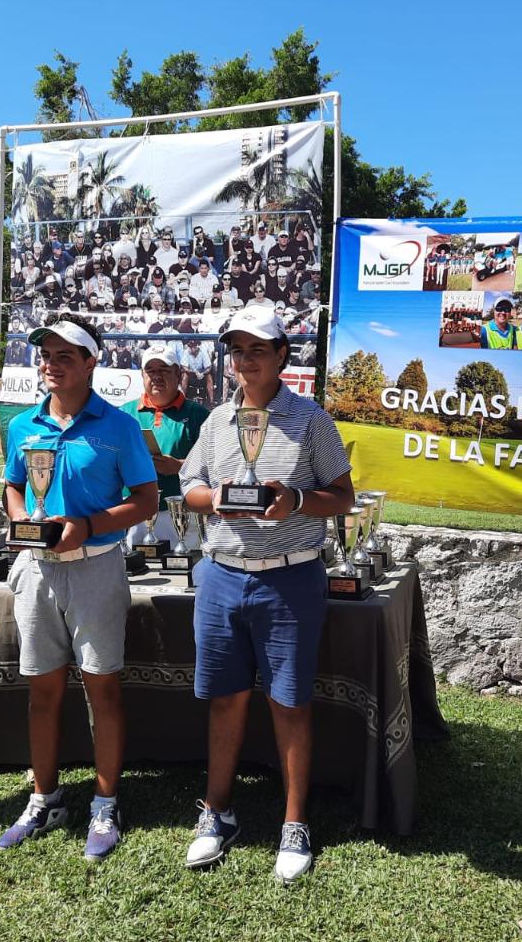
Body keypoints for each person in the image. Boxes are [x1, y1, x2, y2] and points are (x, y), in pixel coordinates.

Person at [178, 306, 354, 883]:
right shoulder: (216, 421)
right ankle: (218, 811)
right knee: (224, 699)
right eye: (237, 350)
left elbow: (343, 496)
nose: (245, 360)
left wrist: (296, 500)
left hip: (290, 577)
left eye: (258, 349)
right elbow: (190, 485)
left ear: (282, 355)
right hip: (222, 574)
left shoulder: (311, 419)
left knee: (289, 702)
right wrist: (216, 498)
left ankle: (294, 822)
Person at [0, 314, 159, 862]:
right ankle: (43, 798)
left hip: (96, 567)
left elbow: (146, 500)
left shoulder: (119, 426)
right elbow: (13, 488)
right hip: (37, 569)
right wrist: (24, 520)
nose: (51, 364)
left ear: (92, 362)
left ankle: (105, 803)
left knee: (102, 690)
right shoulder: (23, 425)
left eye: (65, 355)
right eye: (45, 354)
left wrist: (87, 526)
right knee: (42, 691)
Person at [119, 344, 210, 546]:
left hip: (181, 513)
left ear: (178, 374)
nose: (156, 377)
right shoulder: (123, 413)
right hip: (133, 511)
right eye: (150, 371)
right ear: (142, 375)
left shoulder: (199, 415)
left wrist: (179, 466)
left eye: (164, 370)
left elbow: (214, 466)